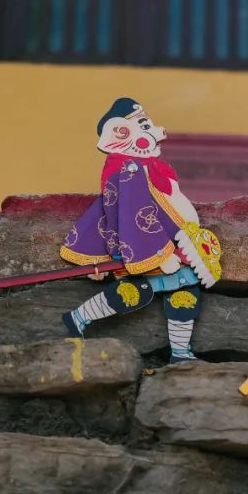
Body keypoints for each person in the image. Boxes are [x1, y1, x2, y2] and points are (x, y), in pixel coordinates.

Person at [60, 98, 222, 363]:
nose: (158, 131)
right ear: (121, 134)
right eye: (144, 125)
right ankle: (78, 317)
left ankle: (180, 352)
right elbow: (134, 215)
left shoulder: (148, 167)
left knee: (184, 293)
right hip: (145, 249)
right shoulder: (127, 171)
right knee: (132, 293)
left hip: (177, 244)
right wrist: (161, 254)